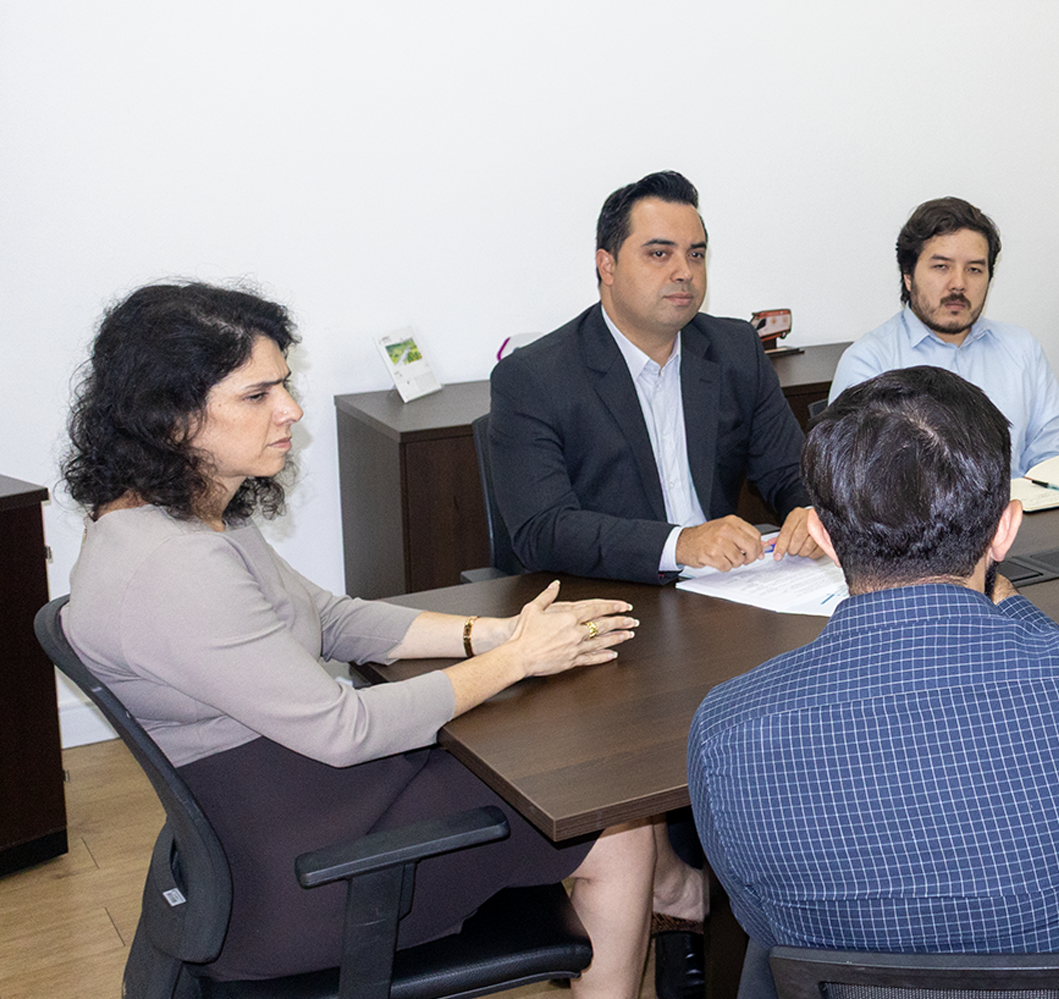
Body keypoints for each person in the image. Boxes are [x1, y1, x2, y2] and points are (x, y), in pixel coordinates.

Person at [59, 282, 669, 997]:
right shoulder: (175, 568)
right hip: (309, 876)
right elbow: (345, 728)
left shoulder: (175, 516)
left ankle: (677, 889)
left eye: (283, 384)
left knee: (566, 774)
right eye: (256, 396)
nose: (290, 410)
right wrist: (517, 660)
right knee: (615, 824)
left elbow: (329, 614)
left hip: (286, 811)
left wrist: (490, 633)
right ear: (172, 418)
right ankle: (675, 893)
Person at [688, 366, 1059, 971]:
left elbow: (767, 926)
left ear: (823, 538)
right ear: (1006, 529)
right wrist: (1017, 612)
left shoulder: (725, 733)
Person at [489, 169, 816, 584]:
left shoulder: (735, 350)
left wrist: (807, 512)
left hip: (729, 590)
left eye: (695, 254)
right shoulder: (533, 377)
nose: (684, 272)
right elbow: (544, 530)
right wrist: (679, 544)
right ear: (607, 266)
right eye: (659, 254)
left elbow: (792, 474)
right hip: (610, 599)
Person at [827, 196, 1059, 477]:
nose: (959, 284)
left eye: (974, 270)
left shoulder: (1021, 349)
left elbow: (1054, 459)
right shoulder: (870, 362)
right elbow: (857, 480)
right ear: (909, 275)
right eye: (941, 267)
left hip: (1018, 516)